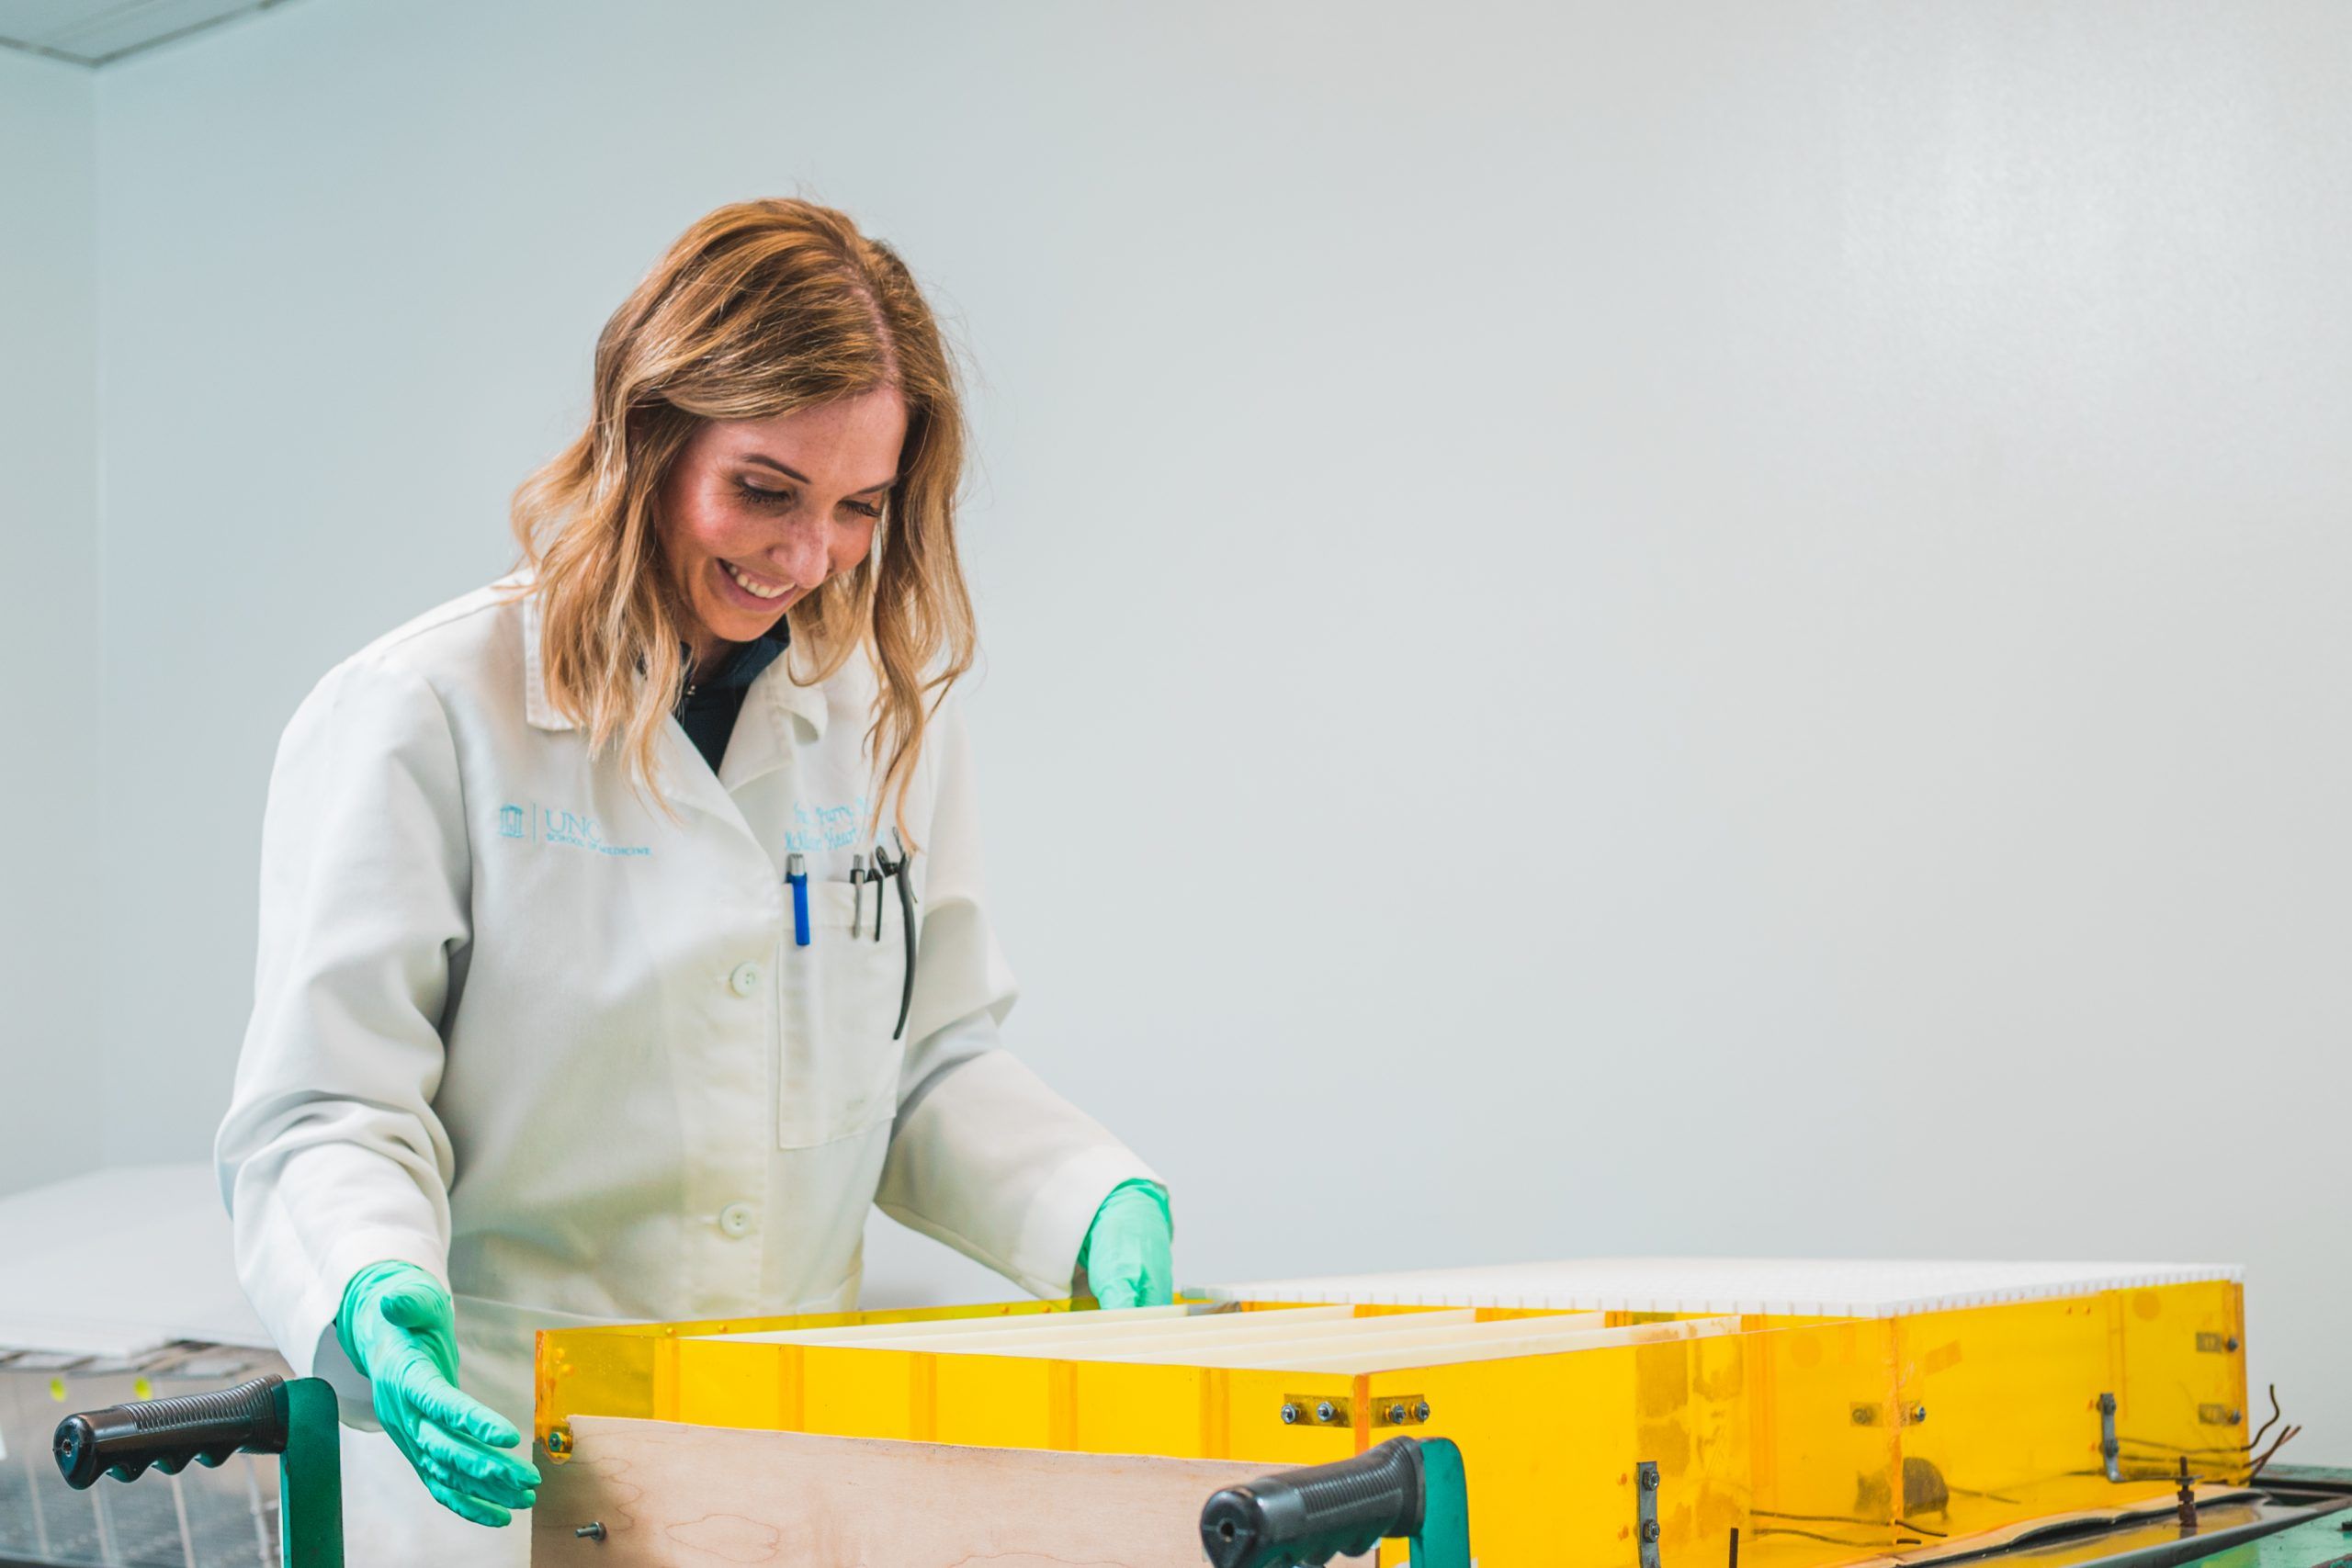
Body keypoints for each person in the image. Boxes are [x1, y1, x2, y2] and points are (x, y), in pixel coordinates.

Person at [213, 197, 1174, 1566]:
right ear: (646, 439)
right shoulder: (425, 709)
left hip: (784, 1459)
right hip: (502, 1465)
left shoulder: (879, 714)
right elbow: (328, 1106)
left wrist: (1085, 1201)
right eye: (763, 491)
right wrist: (366, 1286)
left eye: (859, 509)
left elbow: (927, 1066)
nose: (806, 559)